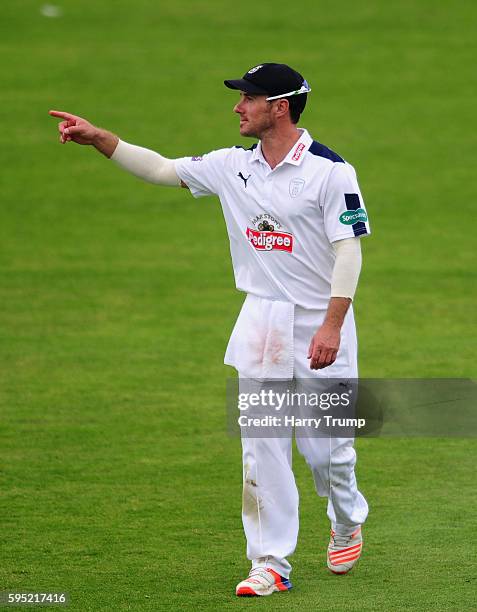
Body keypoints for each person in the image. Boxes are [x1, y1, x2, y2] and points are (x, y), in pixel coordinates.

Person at [49, 62, 370, 597]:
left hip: (321, 322)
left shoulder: (331, 172)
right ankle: (270, 562)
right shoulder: (230, 166)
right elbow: (159, 170)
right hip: (263, 322)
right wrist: (101, 139)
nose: (238, 107)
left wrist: (332, 327)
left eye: (249, 98)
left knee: (327, 449)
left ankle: (347, 516)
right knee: (262, 445)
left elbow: (350, 251)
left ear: (279, 107)